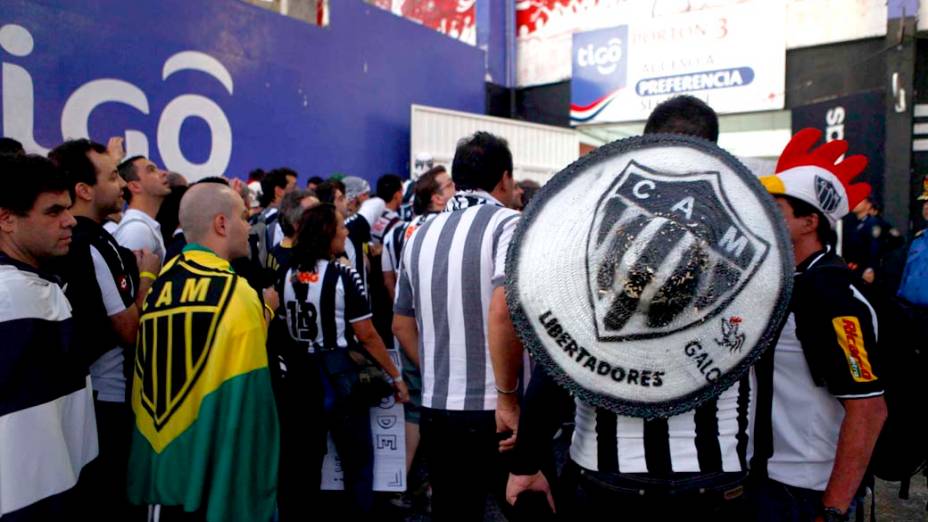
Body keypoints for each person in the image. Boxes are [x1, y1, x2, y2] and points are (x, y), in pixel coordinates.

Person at [503, 96, 754, 519]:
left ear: (644, 144)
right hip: (715, 472)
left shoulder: (599, 227)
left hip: (610, 472)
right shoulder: (754, 236)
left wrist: (526, 462)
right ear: (714, 148)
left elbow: (562, 356)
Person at [751, 128, 888, 521]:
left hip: (806, 492)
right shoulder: (782, 281)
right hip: (761, 479)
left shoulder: (834, 295)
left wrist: (833, 508)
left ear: (810, 222)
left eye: (775, 209)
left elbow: (869, 410)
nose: (763, 216)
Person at [126, 183, 280, 521]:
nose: (248, 227)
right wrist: (266, 311)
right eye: (242, 217)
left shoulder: (160, 288)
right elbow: (250, 406)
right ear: (222, 224)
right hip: (215, 476)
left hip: (162, 471)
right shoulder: (236, 294)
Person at [392, 131, 521, 520]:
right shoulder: (508, 224)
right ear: (503, 178)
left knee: (453, 511)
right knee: (527, 502)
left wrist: (436, 369)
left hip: (437, 407)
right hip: (494, 409)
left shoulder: (418, 233)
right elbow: (503, 312)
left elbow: (400, 324)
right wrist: (508, 396)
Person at [48, 139, 159, 519]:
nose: (122, 185)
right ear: (84, 190)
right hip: (106, 403)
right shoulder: (92, 243)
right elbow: (130, 330)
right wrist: (146, 278)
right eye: (113, 176)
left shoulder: (87, 241)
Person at [279, 203, 408, 516]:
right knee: (357, 460)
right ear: (327, 234)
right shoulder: (342, 274)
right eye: (341, 227)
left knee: (304, 460)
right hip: (338, 376)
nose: (346, 231)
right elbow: (367, 334)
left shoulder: (287, 272)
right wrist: (395, 376)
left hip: (298, 375)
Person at [0, 154, 97, 520]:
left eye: (68, 208)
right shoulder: (9, 297)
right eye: (53, 211)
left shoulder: (36, 286)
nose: (70, 220)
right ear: (6, 219)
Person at [113, 155, 171, 263]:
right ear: (135, 186)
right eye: (151, 170)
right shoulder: (136, 230)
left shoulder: (142, 226)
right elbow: (132, 279)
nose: (163, 173)